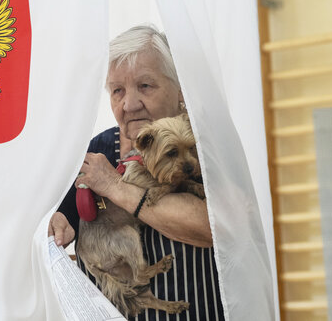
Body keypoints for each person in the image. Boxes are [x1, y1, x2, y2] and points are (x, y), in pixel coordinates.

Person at [49, 25, 224, 320]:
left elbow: (212, 227)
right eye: (117, 90)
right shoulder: (96, 150)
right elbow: (63, 224)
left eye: (145, 86)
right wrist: (54, 222)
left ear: (180, 89)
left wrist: (116, 187)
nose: (129, 104)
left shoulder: (207, 148)